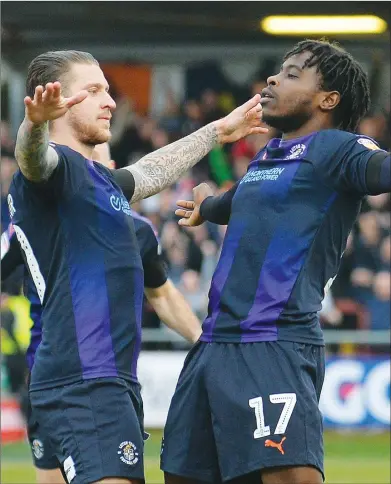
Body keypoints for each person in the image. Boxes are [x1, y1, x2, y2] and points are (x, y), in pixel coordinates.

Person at [8, 50, 266, 484]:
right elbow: (33, 159)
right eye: (93, 91)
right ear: (57, 102)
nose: (109, 101)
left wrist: (219, 130)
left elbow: (150, 170)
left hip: (109, 380)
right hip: (83, 377)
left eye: (108, 90)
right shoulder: (53, 169)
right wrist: (34, 125)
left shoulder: (102, 184)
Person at [161, 39, 391, 484]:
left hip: (274, 342)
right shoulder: (269, 156)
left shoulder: (339, 149)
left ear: (327, 99)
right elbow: (240, 201)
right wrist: (206, 206)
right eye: (278, 70)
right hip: (212, 347)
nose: (272, 78)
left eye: (292, 73)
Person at [2, 145, 202, 484]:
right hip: (52, 374)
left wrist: (203, 340)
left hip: (104, 379)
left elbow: (163, 293)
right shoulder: (44, 216)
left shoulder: (137, 230)